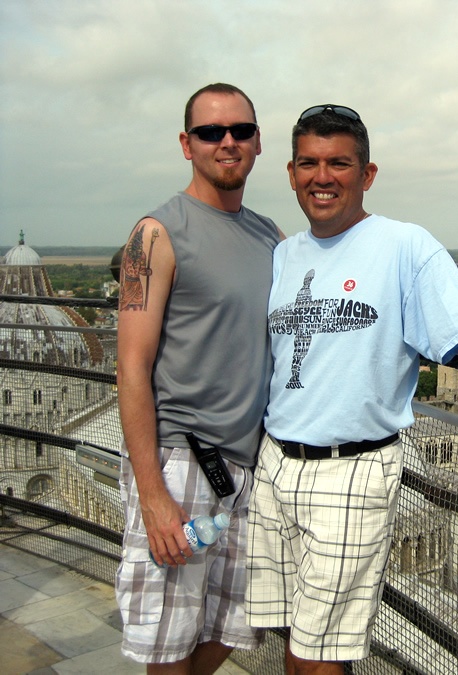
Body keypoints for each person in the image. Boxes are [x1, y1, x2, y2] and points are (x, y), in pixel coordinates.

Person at [245, 104, 458, 674]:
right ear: (290, 172)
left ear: (368, 174)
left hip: (349, 471)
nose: (322, 177)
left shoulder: (404, 246)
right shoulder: (286, 254)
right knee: (287, 630)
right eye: (309, 163)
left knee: (317, 653)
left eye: (339, 164)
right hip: (276, 464)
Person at [115, 83, 282, 673]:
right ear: (187, 144)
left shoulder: (270, 236)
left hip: (248, 471)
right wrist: (153, 497)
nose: (227, 142)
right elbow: (131, 367)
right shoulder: (155, 234)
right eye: (211, 132)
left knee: (238, 625)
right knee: (166, 646)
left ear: (258, 142)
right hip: (180, 464)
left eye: (240, 130)